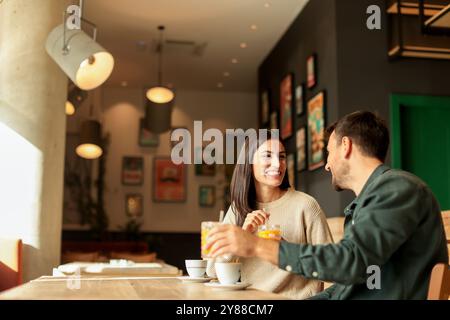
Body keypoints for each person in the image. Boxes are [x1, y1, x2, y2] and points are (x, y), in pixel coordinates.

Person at [206, 111, 449, 300]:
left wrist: (259, 246)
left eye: (328, 152)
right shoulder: (368, 202)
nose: (326, 165)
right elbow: (345, 287)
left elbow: (350, 263)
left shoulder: (398, 189)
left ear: (346, 146)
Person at [219, 131, 333, 299]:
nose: (277, 164)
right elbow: (212, 270)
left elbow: (330, 267)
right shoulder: (238, 209)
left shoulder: (306, 206)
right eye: (267, 156)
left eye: (281, 157)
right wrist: (241, 235)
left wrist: (284, 249)